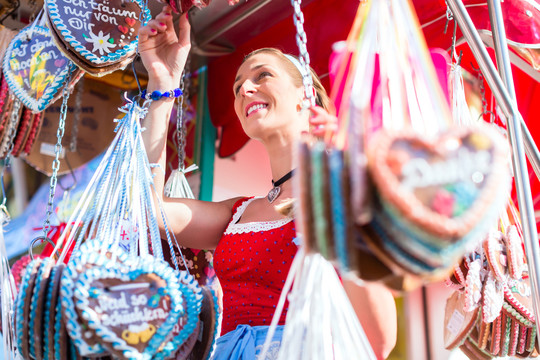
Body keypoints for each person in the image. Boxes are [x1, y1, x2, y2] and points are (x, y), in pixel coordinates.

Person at [138, 6, 397, 359]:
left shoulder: (350, 194)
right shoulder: (239, 211)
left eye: (262, 76)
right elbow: (149, 211)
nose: (245, 88)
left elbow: (378, 341)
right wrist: (162, 84)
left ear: (305, 97)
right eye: (238, 84)